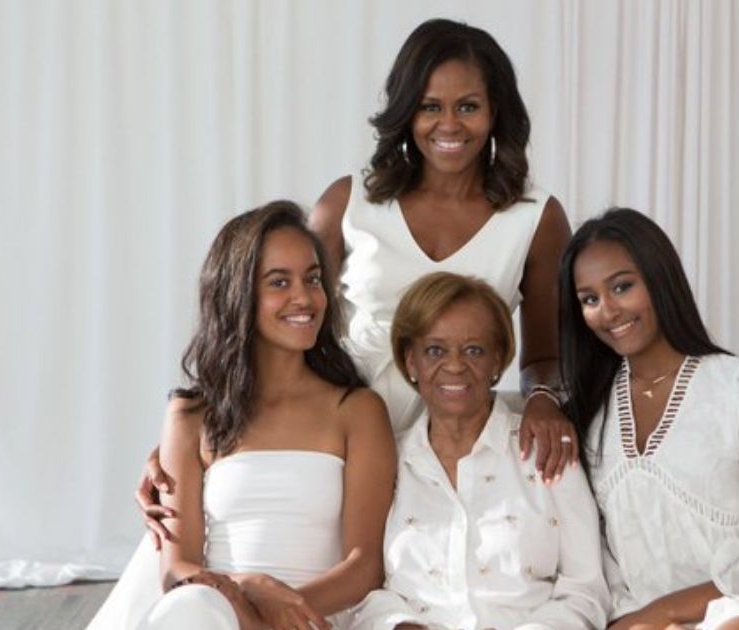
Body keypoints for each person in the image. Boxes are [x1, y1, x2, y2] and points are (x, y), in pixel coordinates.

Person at [88, 201, 396, 630]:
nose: (304, 297)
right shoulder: (190, 416)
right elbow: (176, 569)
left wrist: (282, 611)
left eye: (312, 279)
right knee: (190, 607)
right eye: (279, 282)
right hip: (216, 611)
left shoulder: (356, 411)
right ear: (237, 293)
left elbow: (364, 567)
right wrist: (251, 588)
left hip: (311, 619)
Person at [308, 18, 577, 478]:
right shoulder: (346, 204)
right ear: (406, 111)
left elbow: (545, 357)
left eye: (468, 106)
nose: (449, 124)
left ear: (495, 111)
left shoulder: (536, 218)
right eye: (430, 106)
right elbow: (283, 332)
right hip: (337, 436)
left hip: (457, 446)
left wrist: (543, 399)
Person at [558, 209, 739, 630]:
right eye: (589, 299)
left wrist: (664, 612)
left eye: (622, 286)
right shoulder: (590, 412)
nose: (608, 310)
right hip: (636, 613)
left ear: (659, 279)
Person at [350, 272, 608, 629]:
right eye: (435, 350)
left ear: (497, 360)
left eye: (474, 350)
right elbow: (364, 590)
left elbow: (586, 591)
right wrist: (397, 624)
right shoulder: (386, 462)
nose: (455, 365)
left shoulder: (547, 449)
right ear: (411, 362)